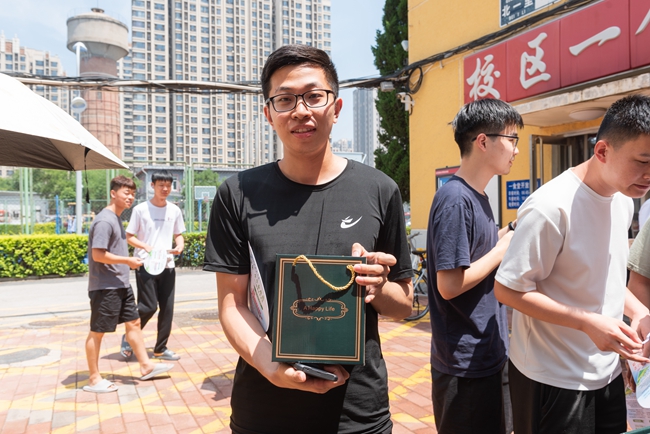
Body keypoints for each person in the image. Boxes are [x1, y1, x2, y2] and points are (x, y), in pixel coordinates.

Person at [203, 44, 413, 434]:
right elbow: (232, 304)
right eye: (285, 99)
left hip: (357, 413)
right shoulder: (238, 194)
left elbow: (404, 303)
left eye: (314, 96)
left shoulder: (380, 190)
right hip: (264, 411)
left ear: (336, 107)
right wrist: (271, 366)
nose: (301, 110)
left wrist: (378, 287)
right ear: (268, 114)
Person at [494, 94, 650, 434]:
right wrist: (586, 322)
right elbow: (508, 289)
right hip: (551, 377)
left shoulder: (624, 200)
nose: (649, 174)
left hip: (606, 373)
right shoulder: (550, 207)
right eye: (643, 161)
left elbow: (604, 274)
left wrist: (639, 312)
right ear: (603, 151)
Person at [425, 98, 522, 434]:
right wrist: (504, 248)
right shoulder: (455, 199)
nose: (516, 150)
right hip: (464, 365)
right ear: (483, 141)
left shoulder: (475, 195)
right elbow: (449, 285)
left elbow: (479, 249)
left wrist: (510, 231)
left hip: (488, 351)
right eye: (511, 139)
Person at [84, 175, 173, 393]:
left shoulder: (115, 218)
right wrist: (128, 261)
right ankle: (94, 378)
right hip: (105, 286)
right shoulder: (105, 221)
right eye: (126, 192)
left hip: (121, 283)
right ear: (113, 193)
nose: (130, 197)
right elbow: (98, 255)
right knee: (97, 331)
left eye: (133, 193)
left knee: (133, 323)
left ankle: (146, 366)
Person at [124, 171, 186, 361]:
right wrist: (145, 247)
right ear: (152, 186)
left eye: (168, 185)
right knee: (148, 306)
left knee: (167, 308)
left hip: (167, 265)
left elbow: (178, 234)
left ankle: (160, 348)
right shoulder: (140, 209)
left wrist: (180, 246)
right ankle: (129, 337)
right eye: (161, 185)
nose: (165, 189)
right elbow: (129, 236)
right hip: (146, 264)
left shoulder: (174, 210)